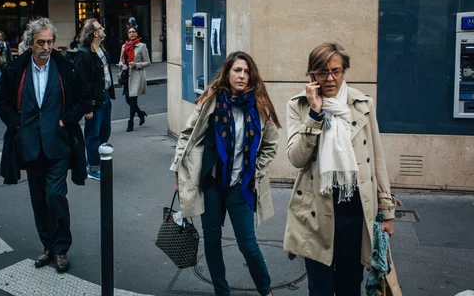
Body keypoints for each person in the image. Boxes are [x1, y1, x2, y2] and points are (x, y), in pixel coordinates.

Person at [283, 42, 396, 295]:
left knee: (349, 287)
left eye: (336, 70)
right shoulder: (299, 106)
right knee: (319, 288)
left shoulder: (362, 104)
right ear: (313, 75)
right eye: (323, 72)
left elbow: (377, 159)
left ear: (344, 70)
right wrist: (314, 114)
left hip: (354, 213)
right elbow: (296, 158)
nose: (330, 78)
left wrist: (387, 210)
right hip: (315, 213)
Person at [170, 51, 281, 296]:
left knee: (248, 245)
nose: (242, 75)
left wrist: (256, 170)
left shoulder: (260, 106)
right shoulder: (211, 100)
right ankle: (222, 291)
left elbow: (271, 144)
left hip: (240, 186)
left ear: (252, 75)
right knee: (212, 240)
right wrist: (179, 169)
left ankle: (266, 291)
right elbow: (187, 136)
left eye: (246, 71)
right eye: (237, 70)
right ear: (227, 73)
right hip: (211, 182)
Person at [0, 17, 91, 273]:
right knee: (39, 199)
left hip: (58, 146)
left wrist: (65, 120)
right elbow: (0, 101)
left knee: (56, 195)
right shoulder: (15, 70)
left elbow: (83, 99)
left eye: (49, 41)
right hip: (29, 146)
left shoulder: (66, 69)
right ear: (30, 44)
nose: (46, 47)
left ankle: (61, 249)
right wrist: (16, 124)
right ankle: (47, 246)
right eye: (41, 42)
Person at [74, 19, 116, 181]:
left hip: (104, 96)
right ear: (95, 33)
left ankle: (97, 159)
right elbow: (80, 82)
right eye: (100, 27)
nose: (103, 28)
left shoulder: (101, 50)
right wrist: (87, 106)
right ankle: (93, 167)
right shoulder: (84, 54)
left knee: (105, 130)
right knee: (93, 134)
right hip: (93, 101)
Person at [118, 24, 150, 132]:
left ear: (136, 33)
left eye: (133, 32)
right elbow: (121, 60)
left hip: (136, 75)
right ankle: (141, 114)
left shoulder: (142, 46)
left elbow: (147, 62)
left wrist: (136, 64)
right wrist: (121, 65)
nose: (132, 33)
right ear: (127, 34)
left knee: (132, 99)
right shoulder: (124, 46)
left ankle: (130, 122)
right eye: (129, 32)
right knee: (128, 99)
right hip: (126, 75)